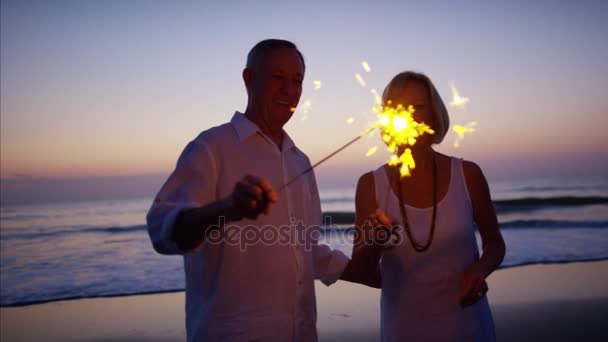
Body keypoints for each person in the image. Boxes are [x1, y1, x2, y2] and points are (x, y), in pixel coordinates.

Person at [146, 39, 349, 342]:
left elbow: (304, 250)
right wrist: (227, 209)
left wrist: (380, 270)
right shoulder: (211, 147)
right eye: (278, 77)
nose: (289, 90)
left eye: (297, 81)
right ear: (248, 79)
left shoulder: (300, 161)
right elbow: (163, 232)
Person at [346, 71, 506, 341]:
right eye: (400, 107)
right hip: (405, 328)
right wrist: (374, 244)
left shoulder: (467, 174)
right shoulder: (370, 185)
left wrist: (479, 271)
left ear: (434, 114)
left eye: (419, 106)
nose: (410, 114)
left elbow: (495, 244)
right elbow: (362, 272)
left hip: (468, 326)